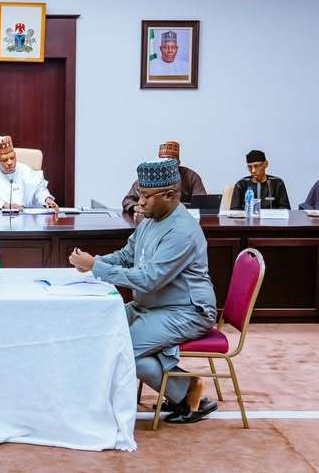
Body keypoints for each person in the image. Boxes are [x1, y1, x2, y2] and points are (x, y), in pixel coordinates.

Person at [69, 158, 218, 424]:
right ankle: (183, 387)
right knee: (103, 331)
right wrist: (94, 262)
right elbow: (127, 256)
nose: (140, 202)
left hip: (187, 311)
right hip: (152, 306)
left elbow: (150, 279)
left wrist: (96, 267)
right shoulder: (152, 219)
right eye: (139, 194)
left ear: (169, 195)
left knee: (122, 349)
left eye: (146, 196)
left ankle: (187, 392)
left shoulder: (182, 231)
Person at [0, 135, 58, 211]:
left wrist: (47, 199)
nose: (10, 163)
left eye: (12, 158)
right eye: (4, 160)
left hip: (25, 220)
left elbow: (39, 191)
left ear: (15, 155)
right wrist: (3, 205)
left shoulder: (25, 170)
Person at [122, 141, 206, 216]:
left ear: (178, 163)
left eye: (171, 161)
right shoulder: (150, 176)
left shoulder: (191, 176)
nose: (167, 165)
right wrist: (136, 207)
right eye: (163, 161)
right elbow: (128, 200)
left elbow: (202, 203)